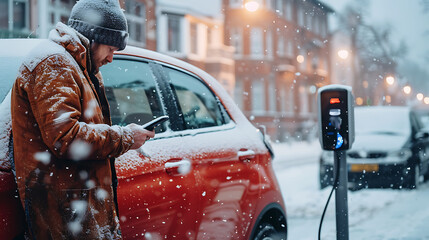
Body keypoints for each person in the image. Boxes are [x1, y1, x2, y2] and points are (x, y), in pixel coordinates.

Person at [10, 0, 154, 239]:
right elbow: (66, 138)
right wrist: (125, 137)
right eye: (111, 48)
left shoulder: (77, 67)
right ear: (93, 37)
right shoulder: (54, 64)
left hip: (76, 209)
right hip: (64, 215)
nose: (111, 59)